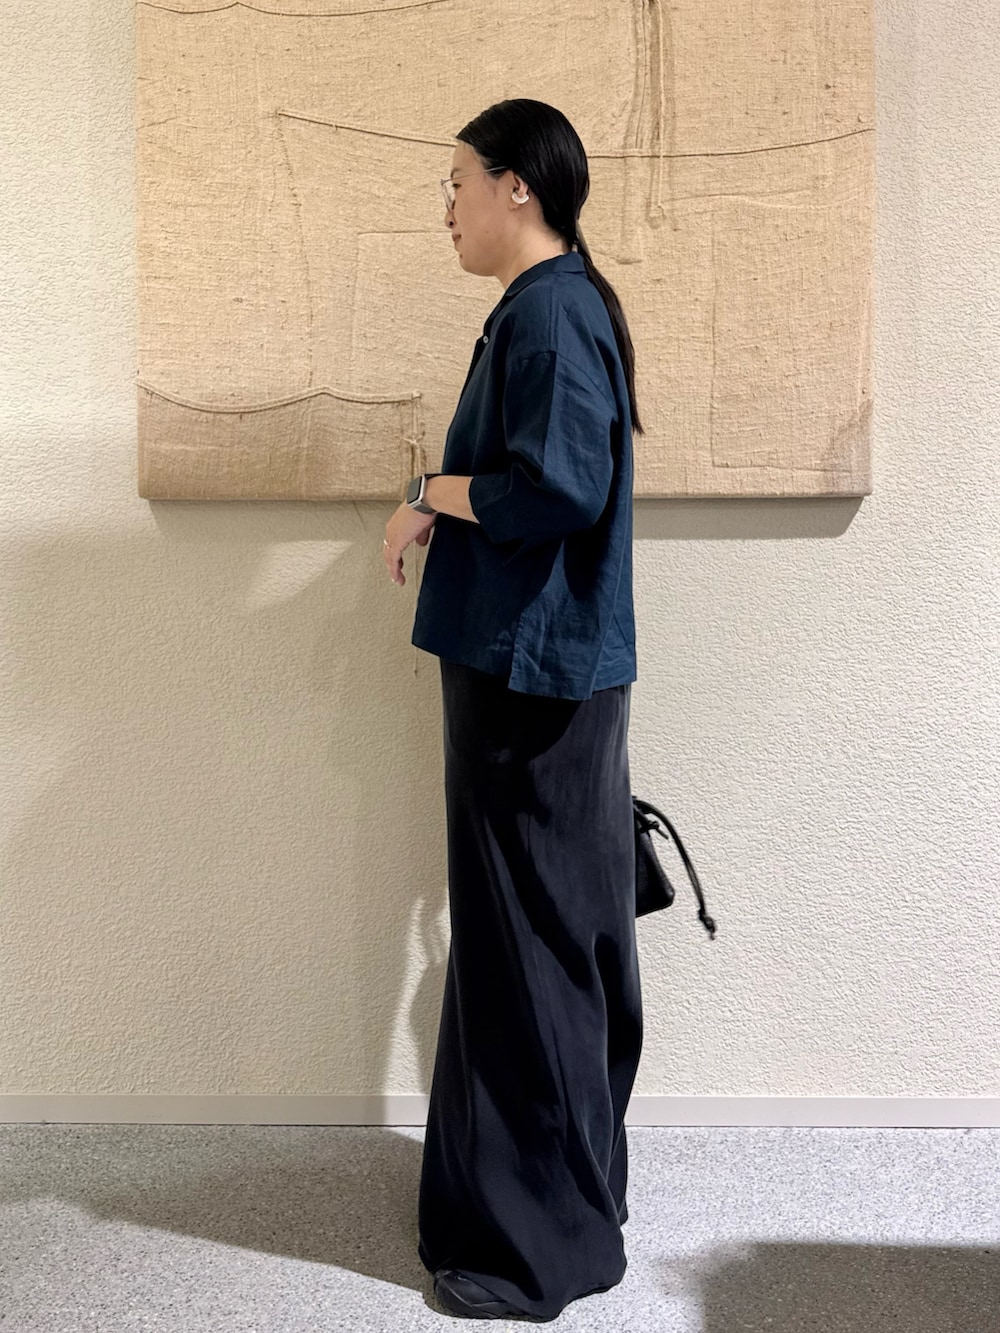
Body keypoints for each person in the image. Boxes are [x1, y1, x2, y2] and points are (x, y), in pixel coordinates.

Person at [381, 98, 644, 1323]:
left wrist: (430, 490)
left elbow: (557, 489)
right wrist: (440, 496)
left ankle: (532, 1248)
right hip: (543, 668)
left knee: (528, 950)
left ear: (516, 188)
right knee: (546, 939)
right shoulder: (556, 304)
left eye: (457, 183)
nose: (448, 207)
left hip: (529, 676)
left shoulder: (547, 313)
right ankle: (553, 1212)